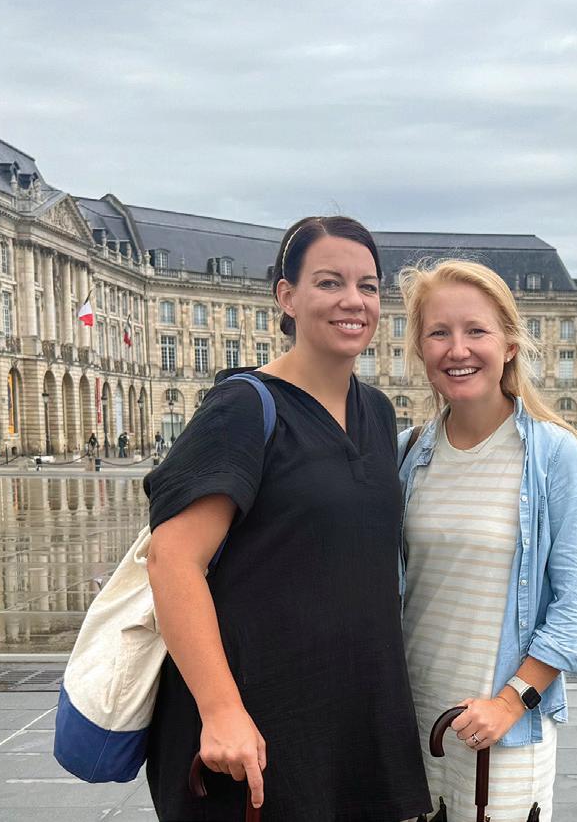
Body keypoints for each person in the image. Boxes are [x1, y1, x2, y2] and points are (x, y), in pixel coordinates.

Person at [143, 216, 430, 822]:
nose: (353, 300)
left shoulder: (378, 413)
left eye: (368, 286)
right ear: (286, 296)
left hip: (354, 722)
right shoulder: (244, 408)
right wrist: (221, 711)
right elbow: (172, 560)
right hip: (255, 728)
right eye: (329, 282)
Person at [396, 260, 577, 822]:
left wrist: (511, 703)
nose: (457, 349)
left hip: (503, 728)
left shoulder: (555, 455)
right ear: (420, 349)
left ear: (510, 344)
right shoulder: (407, 452)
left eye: (476, 331)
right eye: (439, 333)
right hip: (410, 716)